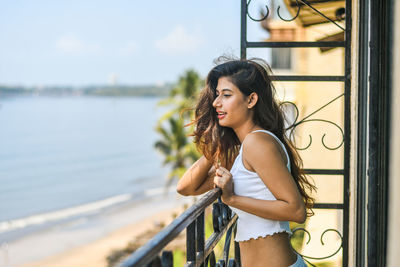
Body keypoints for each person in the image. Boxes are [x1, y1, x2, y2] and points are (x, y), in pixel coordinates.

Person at [177, 58, 315, 267]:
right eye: (216, 95)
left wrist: (232, 199)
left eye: (226, 95)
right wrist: (215, 147)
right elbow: (186, 187)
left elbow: (295, 210)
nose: (216, 103)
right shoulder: (243, 150)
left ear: (251, 100)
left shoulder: (257, 143)